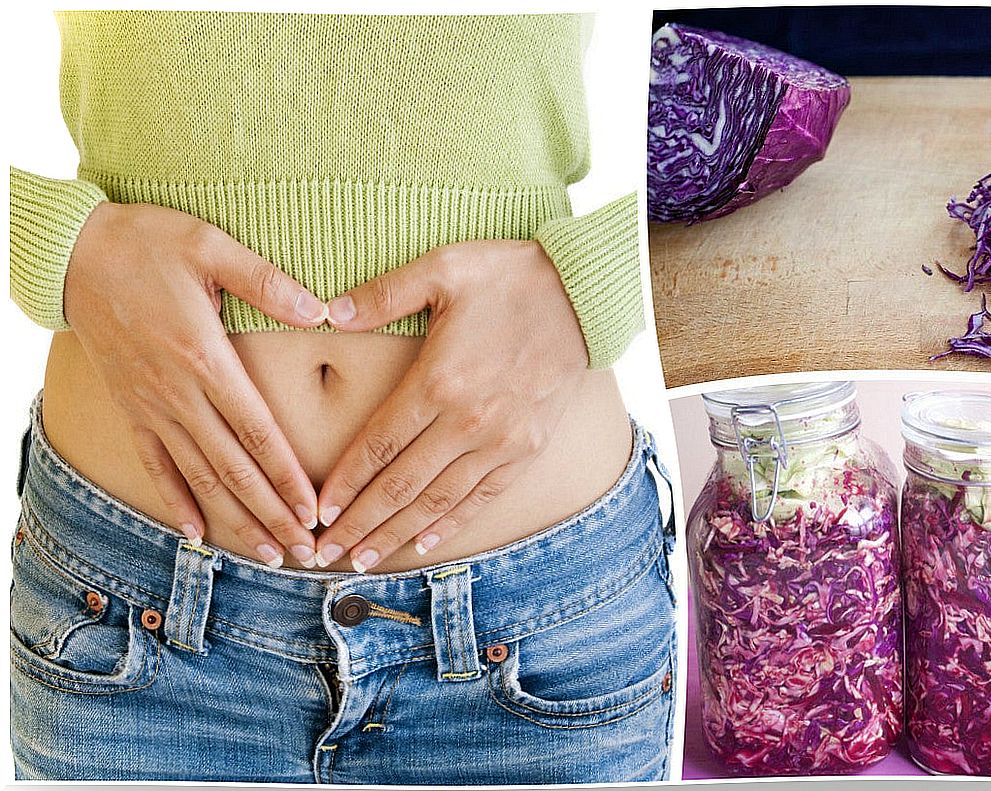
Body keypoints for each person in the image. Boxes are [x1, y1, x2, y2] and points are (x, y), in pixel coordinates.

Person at [8, 11, 675, 784]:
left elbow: (751, 71)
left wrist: (601, 277)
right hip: (129, 620)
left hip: (539, 636)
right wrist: (55, 243)